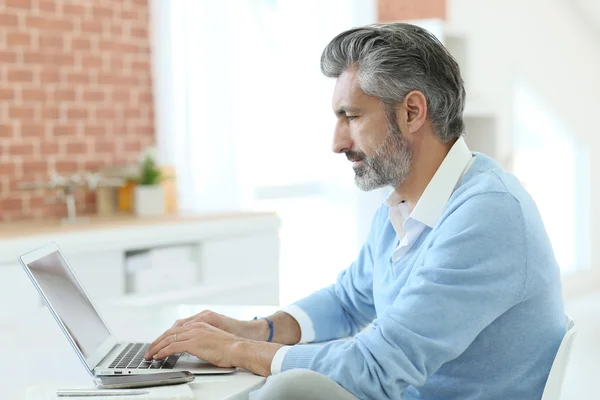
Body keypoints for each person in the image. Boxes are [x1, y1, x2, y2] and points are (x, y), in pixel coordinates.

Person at [144, 23, 566, 400]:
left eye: (352, 116)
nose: (337, 142)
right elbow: (349, 301)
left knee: (284, 390)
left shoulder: (487, 215)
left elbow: (377, 367)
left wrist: (237, 351)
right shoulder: (405, 203)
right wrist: (256, 330)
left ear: (412, 112)